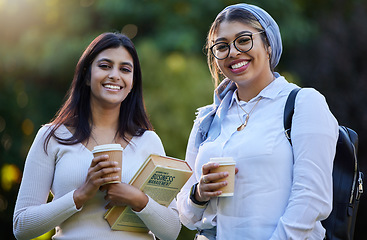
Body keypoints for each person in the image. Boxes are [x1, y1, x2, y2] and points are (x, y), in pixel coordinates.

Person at [176, 3, 339, 240]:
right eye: (221, 46)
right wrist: (198, 193)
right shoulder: (206, 120)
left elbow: (312, 198)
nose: (232, 52)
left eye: (243, 40)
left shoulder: (304, 103)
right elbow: (185, 215)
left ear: (268, 45)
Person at [13, 32, 181, 240]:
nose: (115, 75)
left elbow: (172, 231)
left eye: (125, 69)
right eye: (105, 66)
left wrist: (137, 199)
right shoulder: (52, 137)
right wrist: (81, 194)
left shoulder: (148, 141)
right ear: (86, 75)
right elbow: (21, 226)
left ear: (132, 82)